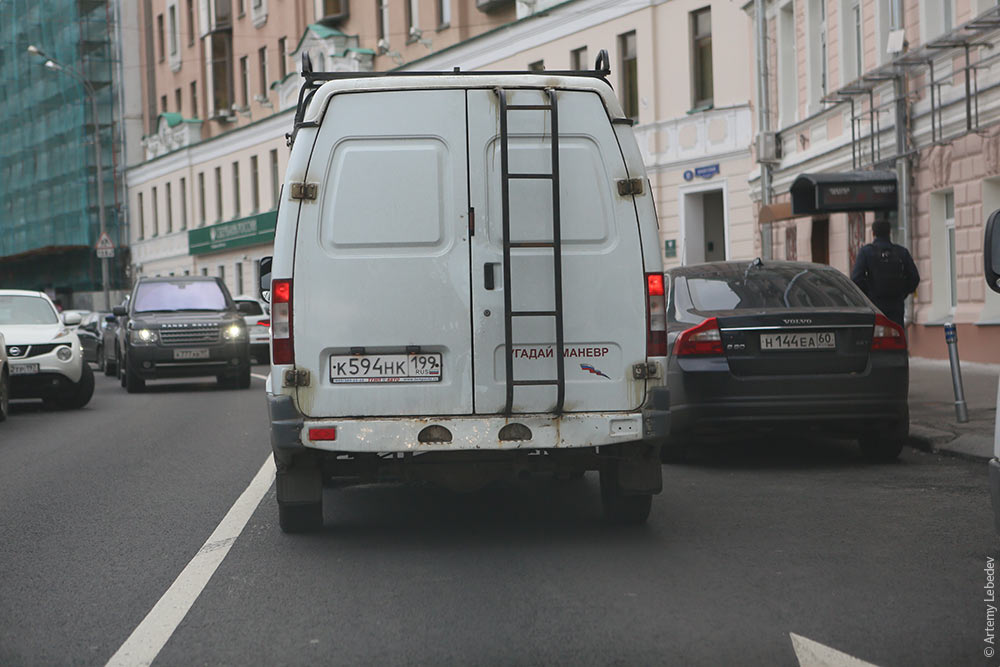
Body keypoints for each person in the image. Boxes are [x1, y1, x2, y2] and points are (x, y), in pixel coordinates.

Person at [851, 218, 920, 327]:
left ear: (873, 233)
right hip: (896, 304)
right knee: (897, 337)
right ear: (889, 232)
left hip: (874, 305)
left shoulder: (866, 252)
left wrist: (868, 295)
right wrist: (903, 292)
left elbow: (856, 279)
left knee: (876, 338)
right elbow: (914, 278)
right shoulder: (901, 252)